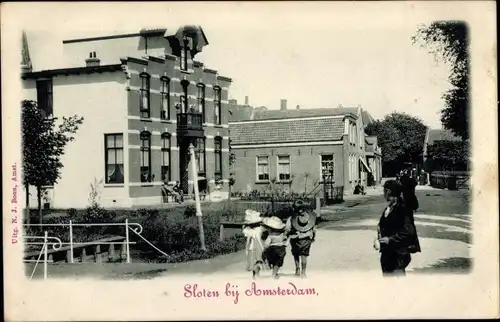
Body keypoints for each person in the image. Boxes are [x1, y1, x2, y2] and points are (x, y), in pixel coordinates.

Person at [373, 180, 421, 276]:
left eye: (384, 191)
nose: (383, 193)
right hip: (389, 254)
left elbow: (408, 231)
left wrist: (390, 240)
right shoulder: (391, 207)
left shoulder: (401, 208)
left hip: (398, 256)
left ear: (388, 191)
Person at [286, 200, 317, 278]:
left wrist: (288, 235)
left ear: (294, 208)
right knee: (304, 256)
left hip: (295, 239)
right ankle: (303, 272)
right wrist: (313, 237)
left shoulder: (291, 218)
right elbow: (314, 229)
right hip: (306, 239)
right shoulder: (309, 217)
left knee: (296, 254)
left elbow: (287, 228)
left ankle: (297, 269)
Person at [242, 210, 267, 279]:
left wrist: (246, 248)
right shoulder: (260, 229)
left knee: (253, 261)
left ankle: (254, 274)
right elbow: (263, 235)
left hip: (251, 246)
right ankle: (257, 273)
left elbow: (247, 240)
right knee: (259, 260)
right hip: (259, 246)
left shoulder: (247, 230)